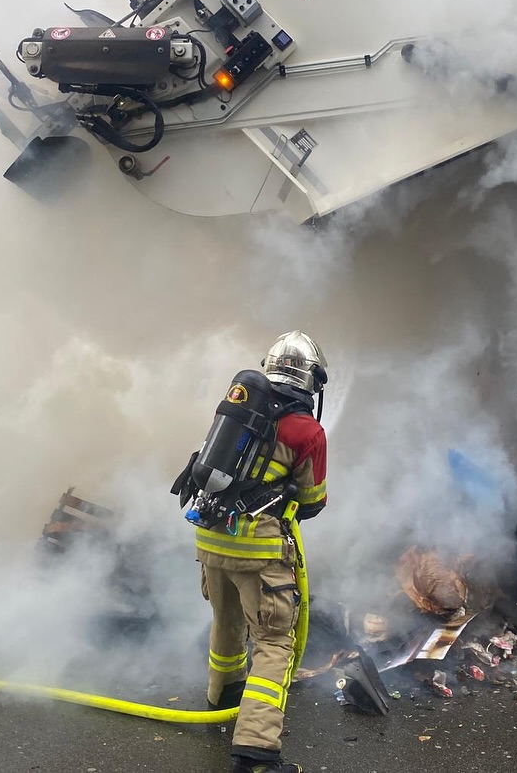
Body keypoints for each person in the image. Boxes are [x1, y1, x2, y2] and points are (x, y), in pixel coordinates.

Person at [198, 331, 328, 773]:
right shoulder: (306, 430)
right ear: (312, 379)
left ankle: (222, 702)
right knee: (274, 641)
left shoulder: (240, 408)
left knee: (227, 622)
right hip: (258, 548)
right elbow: (312, 503)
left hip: (210, 538)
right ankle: (255, 752)